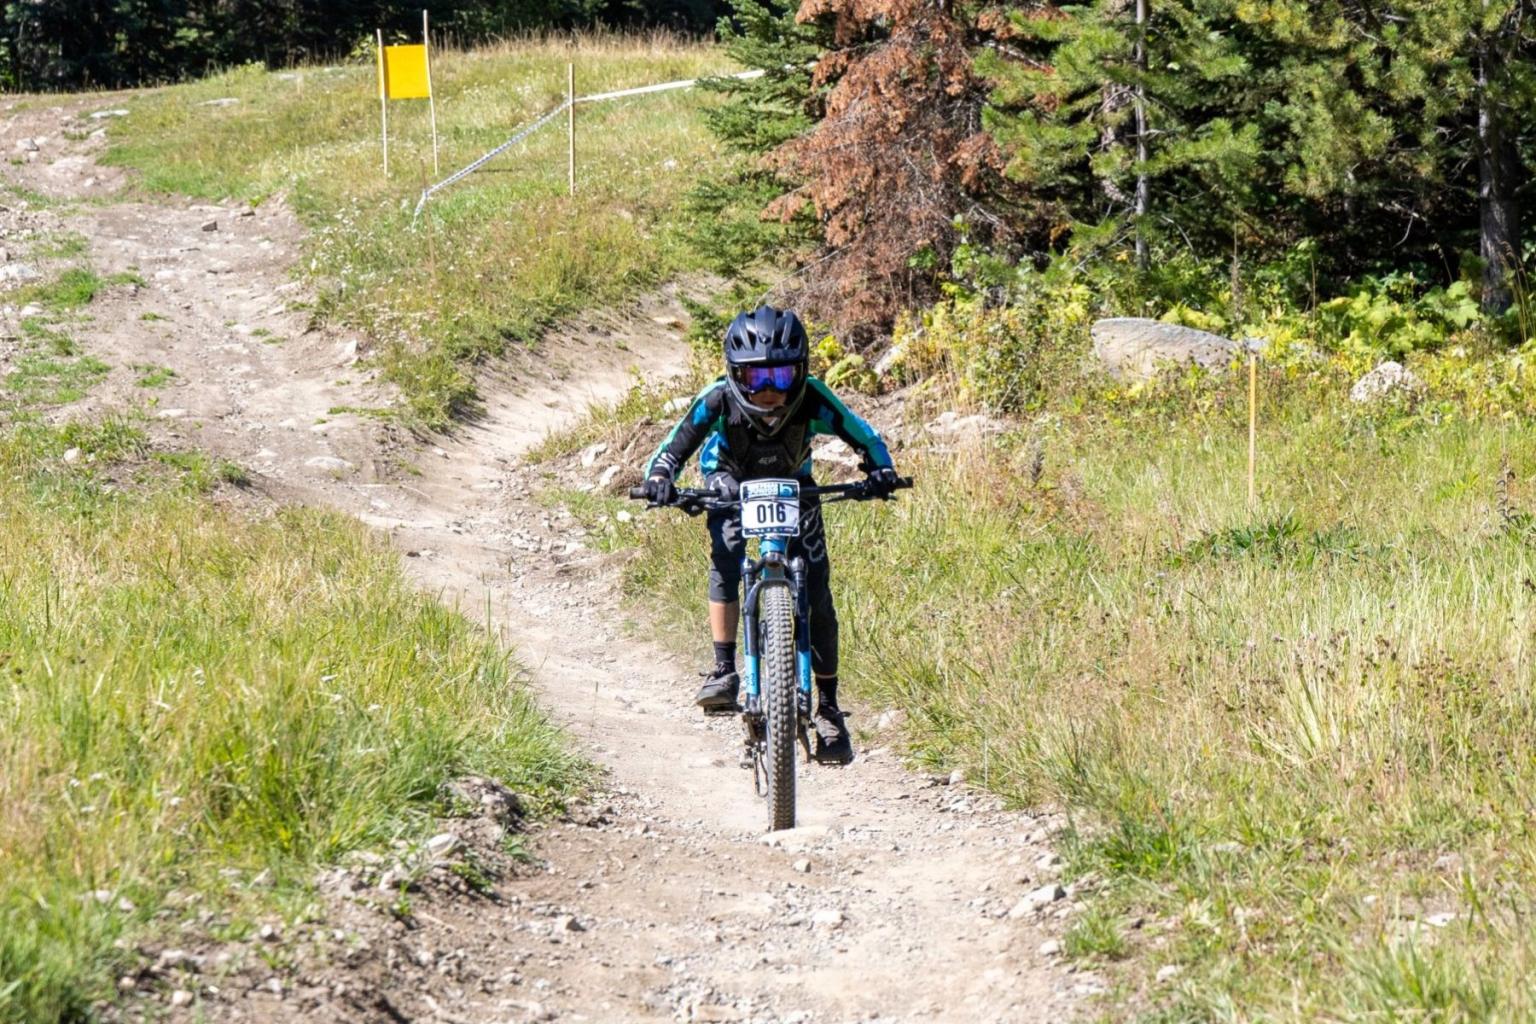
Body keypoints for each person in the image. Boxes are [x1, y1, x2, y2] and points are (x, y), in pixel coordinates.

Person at [642, 305, 900, 765]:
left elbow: (865, 435)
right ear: (734, 375)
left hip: (796, 489)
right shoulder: (719, 399)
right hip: (728, 482)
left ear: (801, 372)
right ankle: (724, 669)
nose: (767, 391)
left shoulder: (815, 400)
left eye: (781, 378)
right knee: (725, 558)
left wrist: (881, 470)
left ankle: (830, 709)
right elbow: (672, 448)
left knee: (817, 593)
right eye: (755, 378)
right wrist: (660, 478)